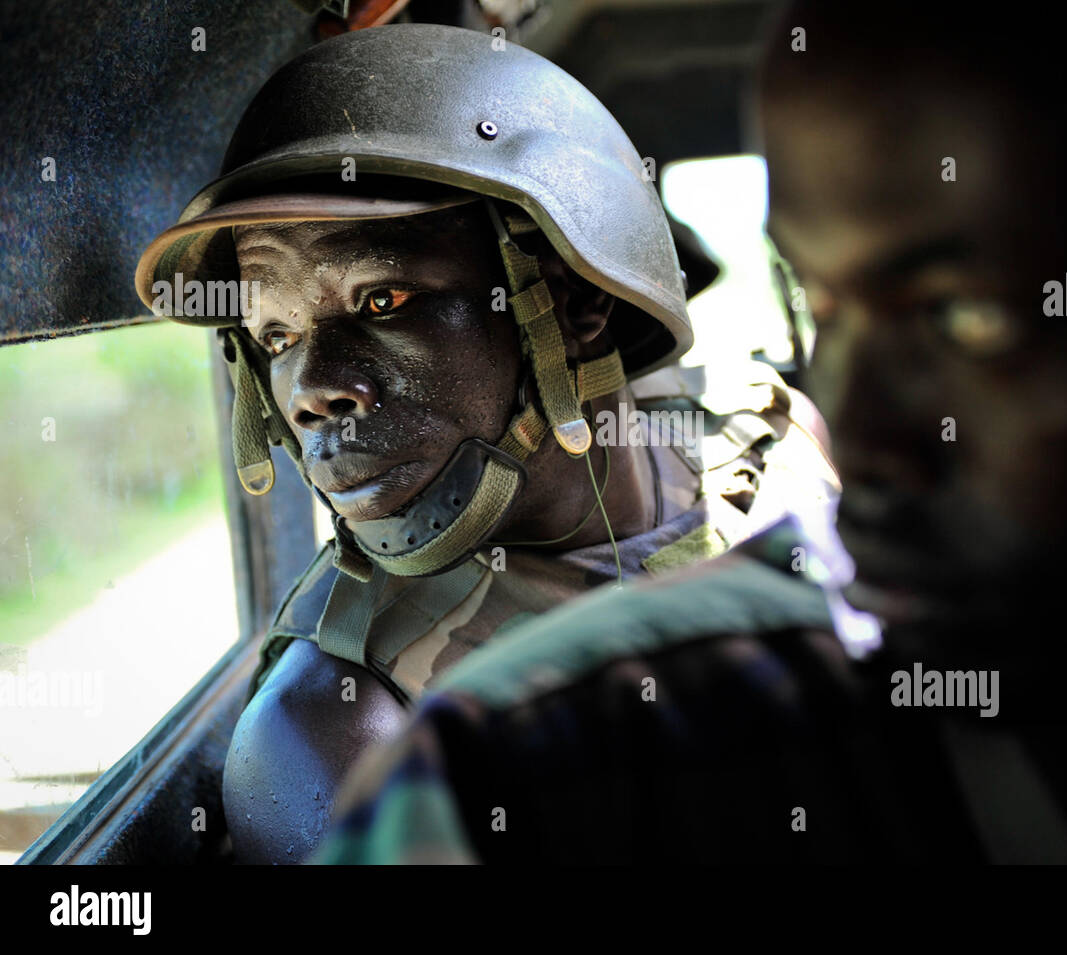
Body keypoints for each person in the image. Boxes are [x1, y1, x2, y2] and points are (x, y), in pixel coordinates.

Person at [314, 8, 1067, 864]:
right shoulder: (517, 783)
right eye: (818, 302)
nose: (856, 432)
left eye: (967, 319)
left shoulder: (744, 445)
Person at [133, 23, 833, 863]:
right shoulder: (336, 725)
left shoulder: (764, 429)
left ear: (575, 305)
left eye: (383, 300)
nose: (314, 388)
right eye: (276, 337)